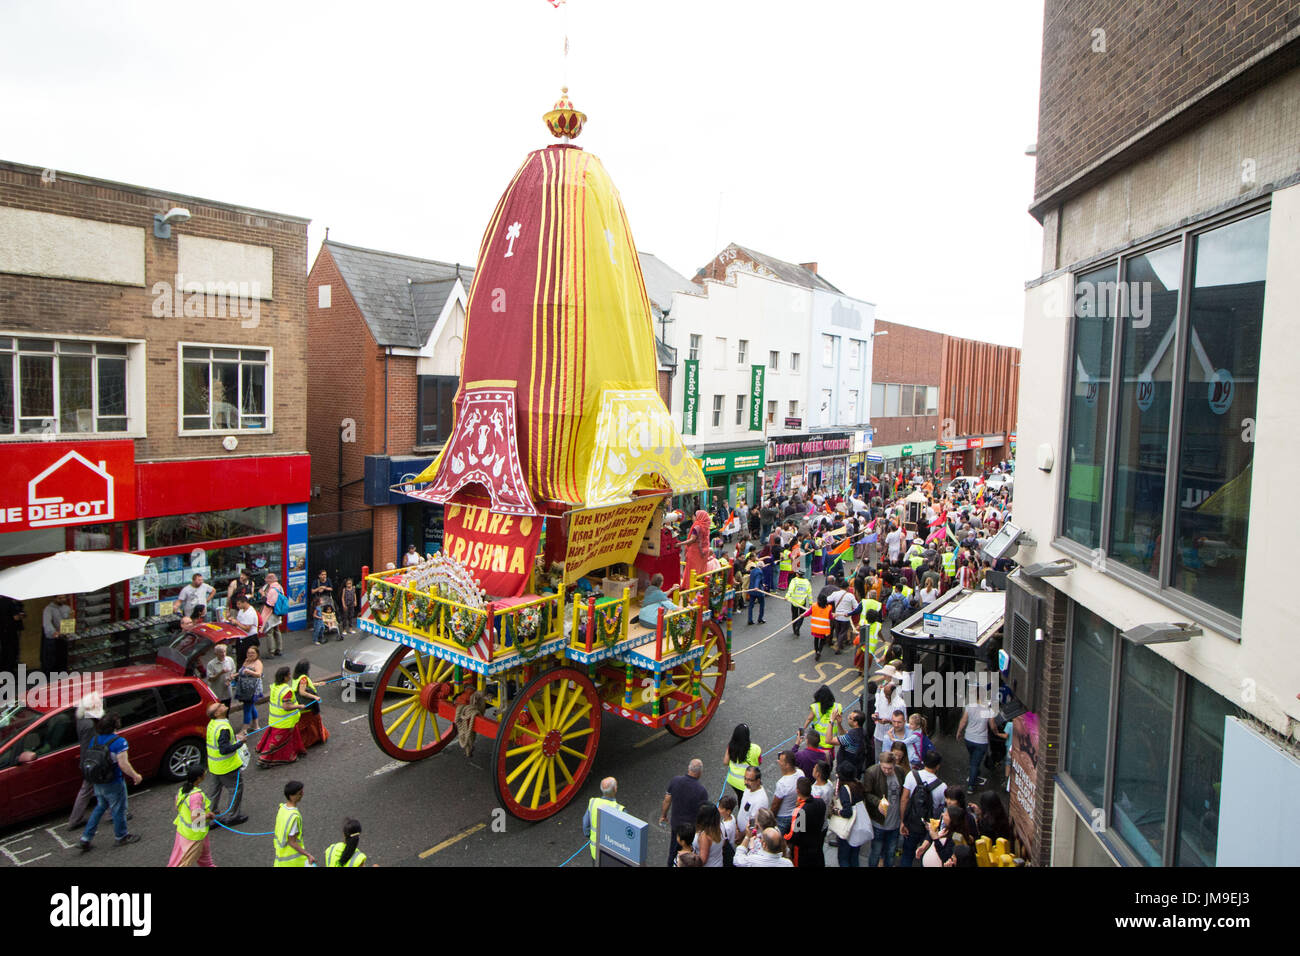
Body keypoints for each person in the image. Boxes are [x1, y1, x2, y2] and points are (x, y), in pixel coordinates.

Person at [79, 713, 143, 850]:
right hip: (113, 781)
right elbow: (123, 764)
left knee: (100, 806)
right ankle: (121, 836)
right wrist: (135, 775)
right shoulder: (119, 742)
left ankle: (86, 837)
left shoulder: (95, 740)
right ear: (115, 726)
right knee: (118, 809)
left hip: (98, 780)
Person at [899, 750, 947, 868]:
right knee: (924, 856)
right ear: (938, 766)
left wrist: (902, 821)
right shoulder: (942, 786)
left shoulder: (912, 775)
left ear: (923, 762)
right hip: (929, 827)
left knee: (907, 854)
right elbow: (941, 810)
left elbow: (904, 799)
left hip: (912, 822)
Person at [204, 701, 249, 827]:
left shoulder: (212, 724)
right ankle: (233, 816)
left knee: (214, 792)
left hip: (214, 766)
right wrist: (240, 743)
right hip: (227, 766)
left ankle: (210, 818)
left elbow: (220, 741)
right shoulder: (223, 727)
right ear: (217, 713)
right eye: (220, 706)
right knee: (235, 790)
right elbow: (224, 749)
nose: (223, 705)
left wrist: (235, 737)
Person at [66, 692, 105, 830]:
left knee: (88, 790)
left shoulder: (81, 719)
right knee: (109, 786)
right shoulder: (90, 725)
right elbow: (95, 744)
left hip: (86, 761)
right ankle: (115, 813)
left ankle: (75, 819)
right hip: (94, 761)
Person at [660, 759, 708, 867]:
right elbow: (703, 812)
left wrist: (663, 815)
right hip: (691, 830)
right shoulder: (701, 791)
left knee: (673, 850)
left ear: (688, 768)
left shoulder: (675, 781)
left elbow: (667, 800)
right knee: (689, 854)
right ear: (700, 772)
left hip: (676, 825)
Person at [864, 749, 907, 867]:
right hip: (879, 822)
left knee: (891, 852)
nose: (887, 771)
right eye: (884, 768)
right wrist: (878, 802)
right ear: (879, 764)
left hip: (895, 822)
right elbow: (866, 793)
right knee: (876, 852)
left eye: (890, 768)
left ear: (895, 765)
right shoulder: (872, 772)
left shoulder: (900, 772)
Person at [256, 665, 306, 767]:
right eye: (288, 675)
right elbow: (286, 706)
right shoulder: (286, 690)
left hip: (275, 718)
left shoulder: (274, 686)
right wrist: (299, 706)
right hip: (285, 721)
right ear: (285, 677)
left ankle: (297, 751)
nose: (290, 676)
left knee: (289, 738)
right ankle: (265, 759)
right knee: (277, 742)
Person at [167, 764, 215, 867]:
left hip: (188, 830)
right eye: (204, 774)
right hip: (194, 834)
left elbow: (177, 807)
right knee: (184, 862)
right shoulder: (196, 796)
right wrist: (208, 815)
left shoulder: (183, 790)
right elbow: (196, 819)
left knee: (204, 856)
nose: (205, 774)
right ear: (198, 778)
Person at [957, 692, 1000, 791]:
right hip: (981, 741)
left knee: (973, 758)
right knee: (975, 764)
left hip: (968, 738)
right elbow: (993, 726)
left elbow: (963, 721)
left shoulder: (969, 706)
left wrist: (959, 732)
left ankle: (975, 772)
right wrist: (997, 733)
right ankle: (971, 786)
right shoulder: (988, 710)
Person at [917, 801, 979, 867]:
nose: (943, 814)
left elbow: (945, 856)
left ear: (952, 820)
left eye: (946, 815)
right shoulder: (946, 828)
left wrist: (936, 839)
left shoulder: (956, 836)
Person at [783, 776, 826, 867]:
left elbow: (794, 835)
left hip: (803, 851)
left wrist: (784, 836)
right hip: (817, 846)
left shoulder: (800, 811)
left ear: (797, 791)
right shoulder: (820, 802)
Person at [833, 777, 874, 867]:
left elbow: (847, 812)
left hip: (847, 827)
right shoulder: (858, 785)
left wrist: (837, 811)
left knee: (844, 858)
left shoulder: (845, 789)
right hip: (858, 827)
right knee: (854, 857)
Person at [582, 777, 623, 863]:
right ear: (615, 789)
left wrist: (589, 835)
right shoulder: (620, 810)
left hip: (595, 851)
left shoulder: (593, 802)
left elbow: (585, 825)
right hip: (612, 855)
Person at [871, 665, 907, 759]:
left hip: (893, 738)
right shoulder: (882, 693)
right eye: (885, 695)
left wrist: (889, 721)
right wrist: (876, 714)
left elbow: (904, 722)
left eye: (888, 696)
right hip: (879, 734)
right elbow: (877, 706)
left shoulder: (900, 704)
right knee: (878, 759)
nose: (886, 697)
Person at [274, 780, 313, 866]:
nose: (302, 794)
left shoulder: (282, 808)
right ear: (291, 796)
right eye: (300, 793)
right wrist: (308, 855)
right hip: (292, 860)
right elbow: (292, 842)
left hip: (280, 855)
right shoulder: (293, 817)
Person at [293, 659, 330, 749]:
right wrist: (315, 697)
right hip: (307, 704)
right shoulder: (303, 678)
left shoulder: (297, 677)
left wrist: (318, 684)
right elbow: (302, 692)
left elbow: (307, 685)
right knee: (313, 720)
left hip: (299, 703)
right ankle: (313, 739)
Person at [804, 684, 843, 763]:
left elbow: (809, 719)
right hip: (830, 740)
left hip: (818, 741)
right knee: (829, 760)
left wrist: (802, 730)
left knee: (818, 761)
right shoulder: (837, 707)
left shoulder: (815, 707)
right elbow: (839, 721)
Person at [723, 723, 762, 801]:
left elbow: (725, 762)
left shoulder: (730, 746)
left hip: (733, 781)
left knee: (740, 797)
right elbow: (759, 762)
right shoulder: (756, 748)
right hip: (749, 782)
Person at [769, 750, 804, 833]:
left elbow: (775, 805)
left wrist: (771, 819)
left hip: (783, 817)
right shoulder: (800, 773)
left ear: (787, 765)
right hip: (797, 813)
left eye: (780, 761)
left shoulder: (782, 783)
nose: (778, 762)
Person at [234, 645, 264, 732]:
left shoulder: (258, 663)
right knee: (250, 706)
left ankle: (244, 730)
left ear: (257, 654)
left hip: (252, 690)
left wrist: (250, 671)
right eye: (248, 652)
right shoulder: (247, 661)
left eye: (252, 653)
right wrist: (234, 675)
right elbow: (241, 671)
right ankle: (256, 725)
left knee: (247, 708)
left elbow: (259, 674)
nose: (250, 654)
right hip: (244, 689)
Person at [41, 594, 72, 673]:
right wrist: (55, 632)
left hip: (63, 638)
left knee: (63, 660)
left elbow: (68, 622)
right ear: (54, 598)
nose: (62, 600)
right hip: (52, 639)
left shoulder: (67, 608)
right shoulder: (48, 609)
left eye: (64, 598)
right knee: (51, 661)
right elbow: (47, 624)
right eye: (60, 598)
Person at [682, 510, 712, 589]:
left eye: (694, 516)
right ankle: (698, 588)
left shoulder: (697, 527)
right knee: (700, 572)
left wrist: (680, 544)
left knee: (691, 571)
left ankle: (689, 588)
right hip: (703, 555)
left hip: (694, 554)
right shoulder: (706, 527)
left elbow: (692, 540)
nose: (693, 518)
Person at [259, 572, 287, 658]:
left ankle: (271, 651)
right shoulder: (279, 587)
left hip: (270, 614)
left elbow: (269, 604)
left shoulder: (272, 590)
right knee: (277, 630)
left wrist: (263, 595)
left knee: (269, 632)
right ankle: (279, 649)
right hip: (277, 613)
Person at [735, 766, 770, 833]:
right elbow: (742, 809)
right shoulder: (749, 788)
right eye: (745, 778)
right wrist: (737, 825)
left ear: (758, 781)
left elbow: (753, 826)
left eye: (750, 780)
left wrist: (741, 836)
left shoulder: (760, 800)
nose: (746, 782)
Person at [205, 642, 235, 711]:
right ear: (216, 654)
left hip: (227, 692)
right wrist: (220, 673)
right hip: (217, 692)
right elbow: (210, 679)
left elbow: (233, 672)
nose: (223, 654)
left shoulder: (230, 660)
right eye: (221, 652)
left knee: (226, 711)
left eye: (224, 651)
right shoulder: (211, 664)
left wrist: (231, 678)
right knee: (217, 712)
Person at [0, 595, 24, 679]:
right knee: (12, 651)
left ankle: (4, 672)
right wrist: (21, 615)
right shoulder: (10, 602)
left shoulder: (3, 601)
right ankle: (9, 672)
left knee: (5, 651)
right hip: (11, 629)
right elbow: (16, 617)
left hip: (3, 629)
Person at [234, 595, 260, 667]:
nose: (237, 606)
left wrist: (237, 623)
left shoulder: (250, 613)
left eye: (239, 604)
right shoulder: (241, 611)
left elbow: (247, 629)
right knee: (239, 659)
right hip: (241, 638)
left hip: (249, 639)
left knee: (249, 660)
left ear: (244, 602)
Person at [785, 567, 812, 636]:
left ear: (797, 574)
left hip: (794, 601)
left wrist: (787, 596)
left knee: (794, 616)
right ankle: (798, 627)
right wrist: (810, 603)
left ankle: (794, 629)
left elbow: (790, 590)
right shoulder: (807, 582)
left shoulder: (794, 580)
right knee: (802, 616)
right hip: (802, 602)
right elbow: (809, 593)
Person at [808, 592, 832, 662]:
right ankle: (819, 651)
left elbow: (808, 613)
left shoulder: (814, 606)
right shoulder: (828, 607)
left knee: (816, 640)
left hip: (816, 628)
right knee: (822, 641)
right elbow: (830, 617)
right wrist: (834, 616)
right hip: (823, 629)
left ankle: (816, 651)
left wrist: (802, 615)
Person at [745, 556, 766, 625]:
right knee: (762, 605)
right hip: (758, 591)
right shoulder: (760, 572)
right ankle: (760, 619)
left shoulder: (753, 570)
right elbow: (757, 580)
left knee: (751, 606)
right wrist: (756, 587)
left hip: (751, 590)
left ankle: (749, 619)